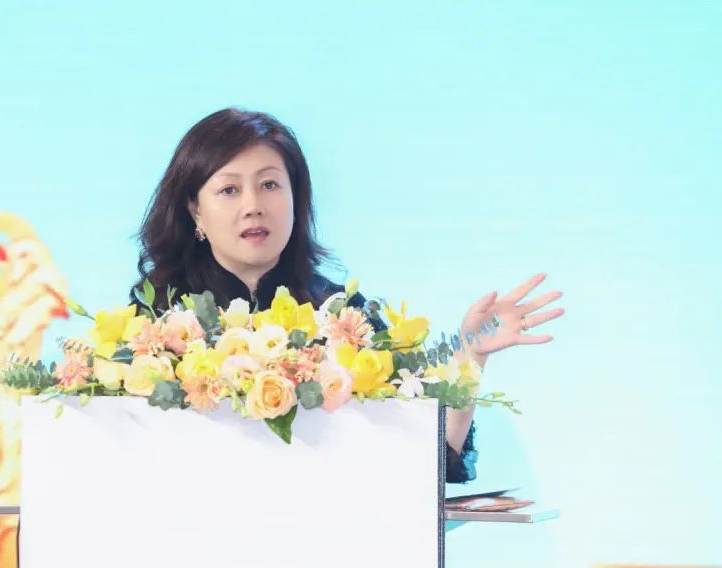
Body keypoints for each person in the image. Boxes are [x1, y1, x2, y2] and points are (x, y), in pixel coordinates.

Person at [129, 108, 564, 483]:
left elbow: (432, 461)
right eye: (229, 190)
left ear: (297, 197)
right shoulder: (160, 321)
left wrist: (470, 357)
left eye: (270, 185)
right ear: (195, 209)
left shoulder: (342, 316)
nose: (253, 205)